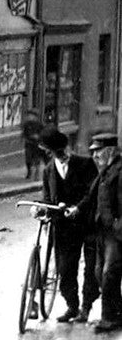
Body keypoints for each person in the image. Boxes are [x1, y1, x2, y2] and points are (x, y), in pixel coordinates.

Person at [36, 126, 99, 322]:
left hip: (87, 225)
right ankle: (72, 306)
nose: (56, 155)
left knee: (91, 270)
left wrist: (78, 208)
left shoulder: (85, 164)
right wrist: (41, 208)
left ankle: (86, 308)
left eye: (55, 150)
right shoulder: (48, 171)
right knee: (65, 270)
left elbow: (92, 192)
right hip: (63, 228)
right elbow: (47, 198)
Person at [90, 132, 122, 334]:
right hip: (103, 230)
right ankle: (117, 312)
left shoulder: (119, 171)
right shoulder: (106, 170)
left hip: (115, 233)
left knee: (108, 274)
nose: (94, 156)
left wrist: (119, 227)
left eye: (98, 151)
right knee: (100, 273)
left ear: (110, 151)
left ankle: (109, 318)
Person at [23, 109, 44, 180]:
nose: (29, 117)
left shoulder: (39, 125)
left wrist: (38, 137)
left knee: (37, 159)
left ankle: (37, 173)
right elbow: (24, 134)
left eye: (31, 115)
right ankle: (29, 172)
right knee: (28, 159)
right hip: (29, 143)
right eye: (29, 115)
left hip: (37, 144)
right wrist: (26, 138)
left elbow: (43, 133)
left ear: (35, 117)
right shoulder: (26, 125)